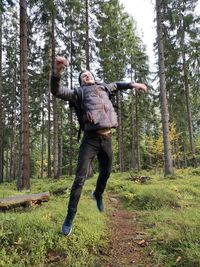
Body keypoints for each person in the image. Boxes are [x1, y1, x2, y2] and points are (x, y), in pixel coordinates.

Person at [51, 56, 147, 236]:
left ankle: (98, 194)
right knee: (79, 179)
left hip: (107, 139)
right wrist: (57, 73)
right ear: (81, 81)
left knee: (107, 172)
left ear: (94, 77)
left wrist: (134, 84)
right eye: (83, 76)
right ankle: (70, 217)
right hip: (90, 140)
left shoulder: (104, 87)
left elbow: (118, 84)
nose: (86, 76)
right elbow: (56, 91)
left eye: (89, 74)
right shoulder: (78, 93)